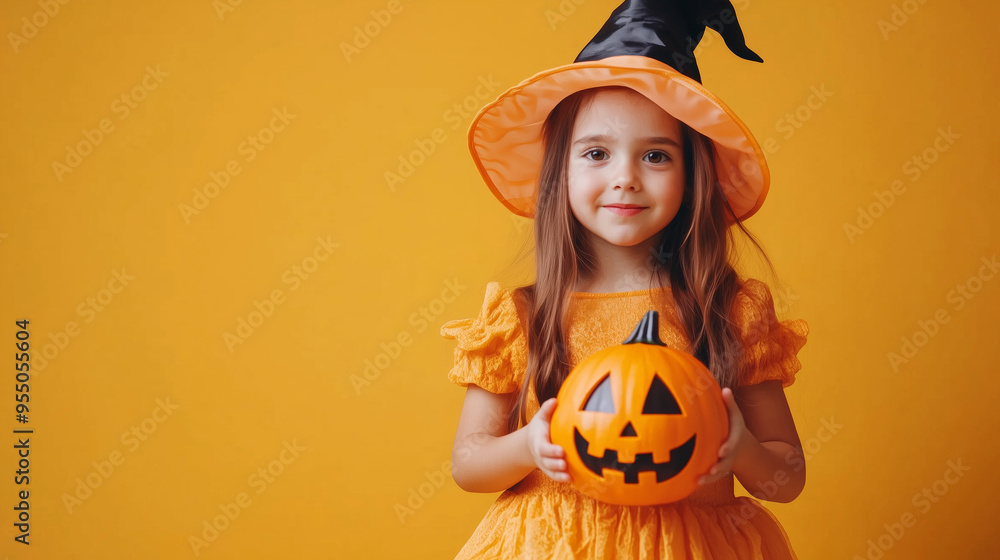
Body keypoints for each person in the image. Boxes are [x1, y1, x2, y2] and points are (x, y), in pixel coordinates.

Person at [440, 0, 809, 557]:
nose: (625, 179)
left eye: (656, 156)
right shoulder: (522, 317)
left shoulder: (730, 311)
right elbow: (468, 466)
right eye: (596, 153)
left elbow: (788, 478)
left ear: (692, 174)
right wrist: (529, 446)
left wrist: (741, 450)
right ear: (559, 173)